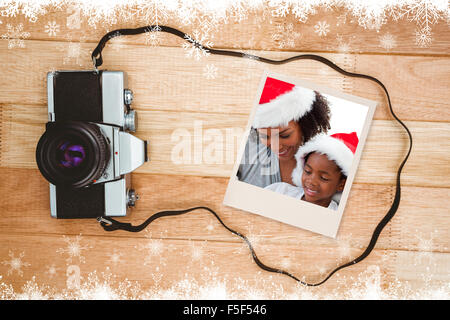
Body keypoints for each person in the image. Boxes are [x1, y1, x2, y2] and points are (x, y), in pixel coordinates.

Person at [237, 77, 331, 188]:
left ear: (305, 126)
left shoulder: (327, 162)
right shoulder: (246, 146)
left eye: (284, 135)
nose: (277, 147)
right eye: (265, 136)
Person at [265, 132, 359, 211]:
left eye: (323, 178)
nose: (311, 181)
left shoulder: (335, 215)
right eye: (308, 171)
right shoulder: (280, 190)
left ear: (341, 184)